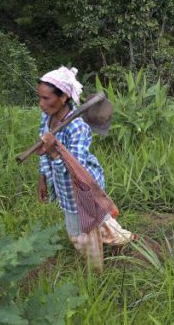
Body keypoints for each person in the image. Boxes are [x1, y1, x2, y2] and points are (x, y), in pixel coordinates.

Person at [36, 66, 133, 269]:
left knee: (80, 233)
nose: (41, 104)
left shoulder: (77, 127)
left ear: (63, 97)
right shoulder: (47, 119)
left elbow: (76, 169)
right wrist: (43, 177)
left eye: (46, 99)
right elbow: (42, 150)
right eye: (40, 98)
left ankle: (95, 271)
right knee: (99, 220)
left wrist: (55, 151)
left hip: (82, 188)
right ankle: (123, 239)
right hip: (62, 186)